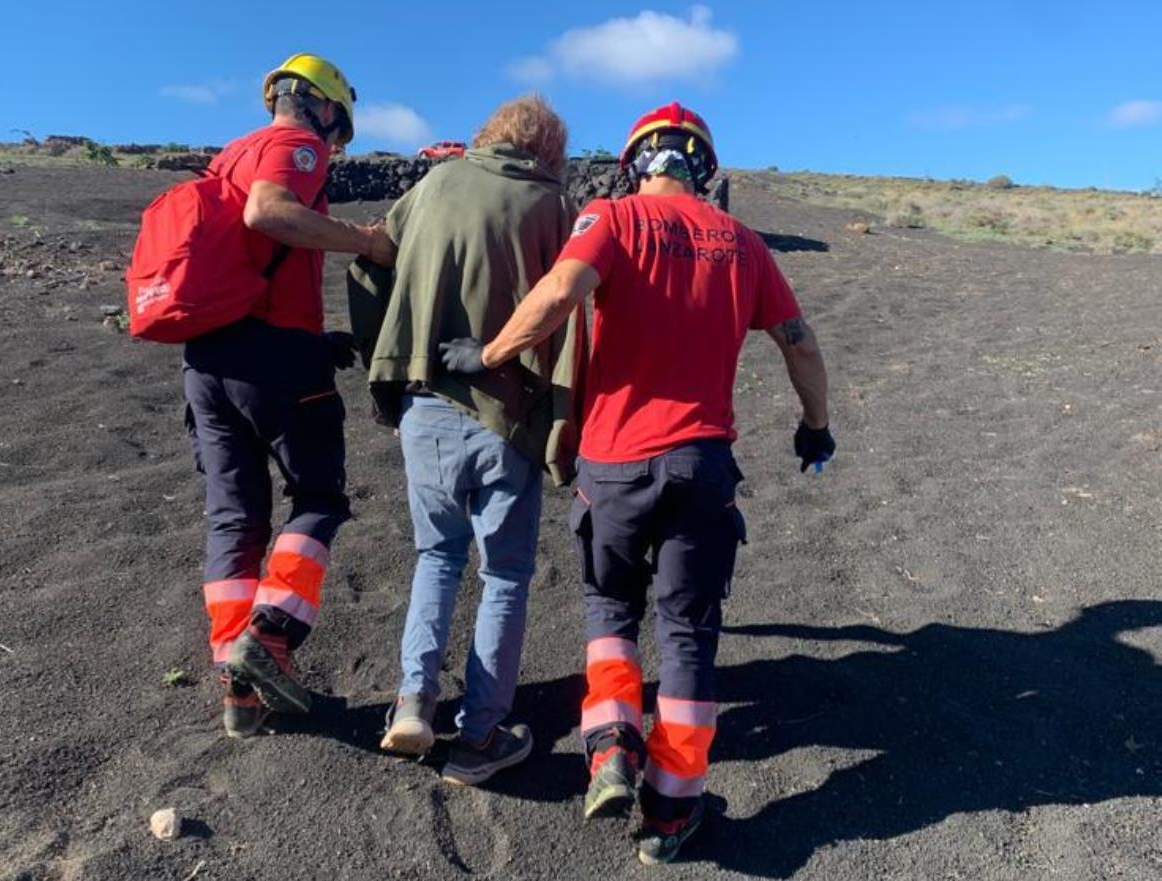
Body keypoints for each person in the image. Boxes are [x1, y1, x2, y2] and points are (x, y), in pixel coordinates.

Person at [440, 102, 835, 863]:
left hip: (613, 464)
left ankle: (610, 748)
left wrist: (489, 353)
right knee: (687, 633)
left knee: (609, 609)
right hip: (701, 466)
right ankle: (670, 811)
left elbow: (558, 297)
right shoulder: (745, 245)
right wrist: (814, 425)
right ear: (702, 165)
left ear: (634, 161)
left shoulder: (611, 220)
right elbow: (799, 343)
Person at [357, 96, 583, 785]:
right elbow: (573, 310)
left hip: (422, 404)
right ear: (548, 149)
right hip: (503, 413)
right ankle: (480, 734)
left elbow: (372, 261)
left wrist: (384, 364)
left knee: (435, 556)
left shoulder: (431, 185)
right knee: (505, 575)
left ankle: (412, 702)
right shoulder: (553, 207)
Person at [183, 53, 395, 739]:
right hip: (272, 358)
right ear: (325, 106)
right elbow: (268, 213)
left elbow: (243, 254)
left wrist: (319, 336)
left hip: (208, 361)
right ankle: (271, 635)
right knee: (319, 500)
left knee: (234, 520)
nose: (332, 144)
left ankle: (238, 688)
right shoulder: (295, 145)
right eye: (336, 128)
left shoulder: (231, 152)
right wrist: (365, 242)